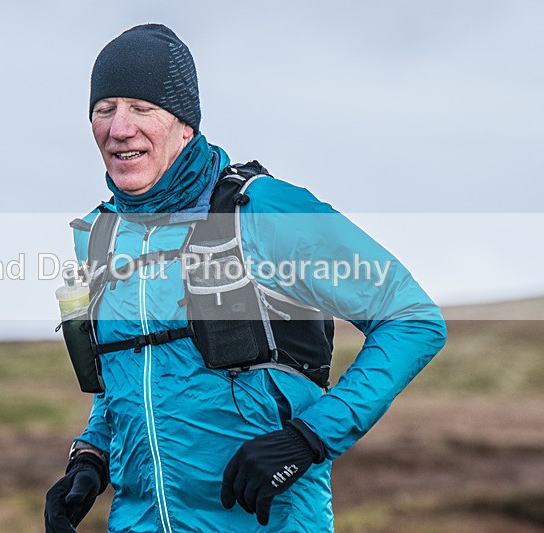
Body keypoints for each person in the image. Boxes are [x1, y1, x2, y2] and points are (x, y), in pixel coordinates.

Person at [44, 23, 446, 533]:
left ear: (185, 124)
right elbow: (126, 379)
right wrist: (90, 461)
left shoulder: (264, 210)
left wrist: (308, 438)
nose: (119, 128)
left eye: (142, 108)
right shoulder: (101, 236)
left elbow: (413, 321)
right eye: (105, 109)